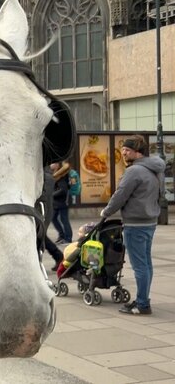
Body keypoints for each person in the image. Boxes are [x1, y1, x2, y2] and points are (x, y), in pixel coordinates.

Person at [101, 135, 165, 316]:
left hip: (135, 223)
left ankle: (143, 304)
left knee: (140, 266)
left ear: (137, 152)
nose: (123, 153)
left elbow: (120, 195)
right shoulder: (155, 169)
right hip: (149, 221)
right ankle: (143, 299)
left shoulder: (134, 171)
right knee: (146, 263)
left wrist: (106, 212)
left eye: (127, 150)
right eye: (122, 150)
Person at [39, 166, 65, 271]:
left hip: (43, 211)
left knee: (40, 236)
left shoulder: (46, 177)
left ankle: (58, 256)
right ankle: (58, 256)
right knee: (40, 236)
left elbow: (44, 195)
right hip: (40, 210)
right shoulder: (43, 175)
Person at [51, 161, 73, 244]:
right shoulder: (56, 174)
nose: (51, 165)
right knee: (53, 218)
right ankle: (62, 235)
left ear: (57, 165)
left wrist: (51, 195)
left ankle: (68, 238)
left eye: (53, 163)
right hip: (57, 202)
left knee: (64, 220)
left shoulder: (61, 176)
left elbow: (63, 190)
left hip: (62, 202)